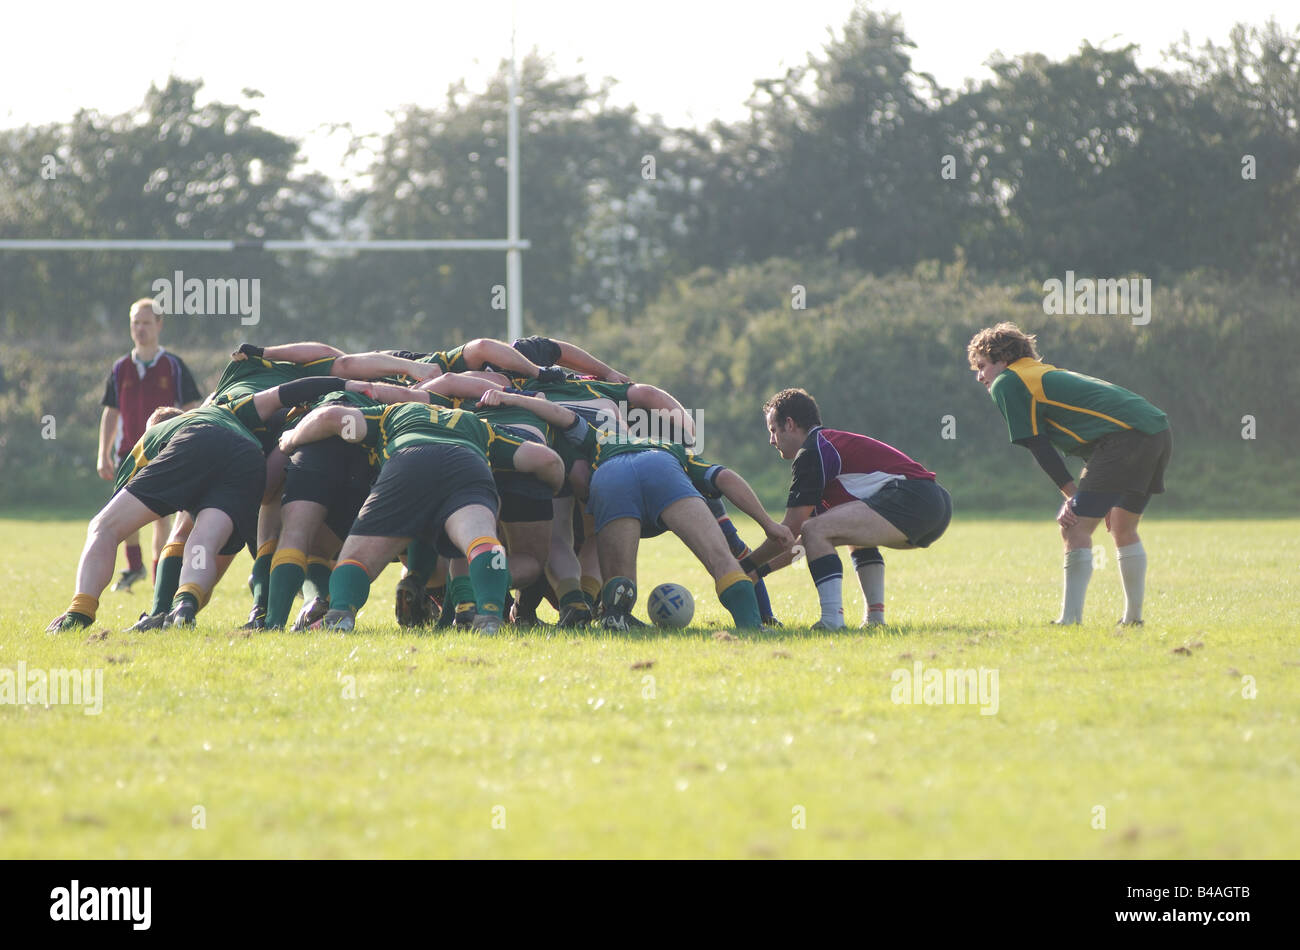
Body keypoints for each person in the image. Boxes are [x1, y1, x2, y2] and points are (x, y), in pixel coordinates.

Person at [474, 388, 792, 630]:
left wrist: (512, 399)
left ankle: (616, 617)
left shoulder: (599, 438)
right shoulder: (672, 447)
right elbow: (724, 477)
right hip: (663, 469)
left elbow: (558, 414)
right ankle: (752, 628)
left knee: (621, 577)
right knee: (721, 560)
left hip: (611, 475)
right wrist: (768, 523)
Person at [277, 393, 567, 634]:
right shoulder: (478, 425)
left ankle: (340, 615)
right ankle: (489, 616)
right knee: (481, 542)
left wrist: (291, 438)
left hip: (409, 462)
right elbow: (547, 460)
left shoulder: (394, 412)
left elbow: (330, 417)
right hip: (467, 466)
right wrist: (555, 490)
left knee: (357, 558)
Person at [966, 322, 1171, 625]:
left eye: (982, 366)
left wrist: (1073, 498)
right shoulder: (1039, 372)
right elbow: (1097, 438)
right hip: (1156, 429)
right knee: (1122, 526)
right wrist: (1093, 494)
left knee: (1073, 527)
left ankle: (1069, 621)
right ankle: (1132, 620)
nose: (980, 376)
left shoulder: (1008, 382)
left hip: (1126, 438)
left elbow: (1039, 445)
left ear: (1002, 359)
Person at [743, 389, 951, 630]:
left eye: (772, 430)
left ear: (789, 424)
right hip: (935, 504)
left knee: (816, 528)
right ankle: (875, 619)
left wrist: (746, 566)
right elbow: (800, 541)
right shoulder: (826, 446)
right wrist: (761, 571)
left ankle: (832, 620)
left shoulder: (812, 452)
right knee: (837, 533)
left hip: (915, 499)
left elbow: (790, 529)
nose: (771, 440)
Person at [97, 298, 202, 591]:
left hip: (165, 452)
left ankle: (159, 577)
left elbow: (193, 407)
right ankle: (134, 566)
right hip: (128, 452)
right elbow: (111, 411)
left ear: (159, 325)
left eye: (145, 322)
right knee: (121, 511)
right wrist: (102, 453)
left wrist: (190, 442)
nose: (140, 328)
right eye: (135, 323)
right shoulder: (120, 368)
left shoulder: (174, 365)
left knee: (160, 517)